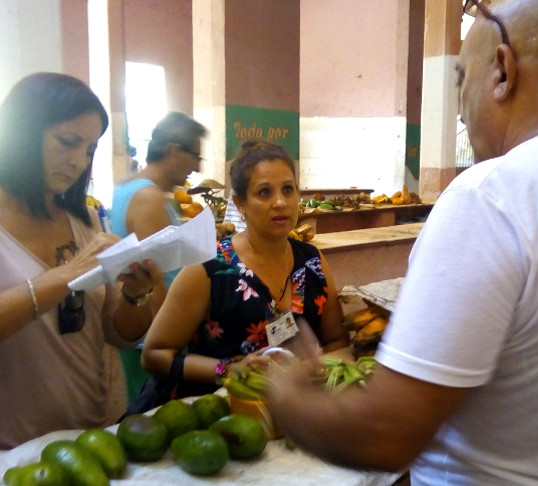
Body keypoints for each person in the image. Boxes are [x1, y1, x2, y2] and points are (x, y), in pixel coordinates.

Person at [261, 0, 538, 484]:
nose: (461, 109)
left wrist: (286, 393)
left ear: (502, 69)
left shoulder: (494, 193)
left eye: (462, 79)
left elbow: (384, 435)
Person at [0, 72, 162, 449]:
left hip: (99, 427)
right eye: (67, 142)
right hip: (17, 443)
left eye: (89, 150)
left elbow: (115, 333)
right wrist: (64, 276)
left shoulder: (86, 219)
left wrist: (137, 296)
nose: (77, 162)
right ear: (22, 132)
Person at [140, 140, 349, 401]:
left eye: (288, 189)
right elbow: (154, 355)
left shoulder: (313, 263)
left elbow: (337, 342)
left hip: (293, 418)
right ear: (240, 203)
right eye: (264, 192)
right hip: (219, 420)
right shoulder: (209, 268)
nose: (281, 202)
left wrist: (313, 369)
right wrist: (228, 370)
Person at [108, 111, 207, 401]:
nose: (197, 167)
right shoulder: (149, 199)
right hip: (151, 334)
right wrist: (169, 339)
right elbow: (156, 277)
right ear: (174, 151)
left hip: (141, 329)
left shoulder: (129, 185)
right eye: (195, 157)